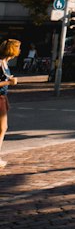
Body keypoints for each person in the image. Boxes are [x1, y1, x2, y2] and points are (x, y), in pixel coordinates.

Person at [0, 38, 22, 166]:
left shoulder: (4, 63)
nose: (19, 50)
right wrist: (9, 82)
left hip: (2, 98)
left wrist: (6, 98)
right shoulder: (0, 63)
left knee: (2, 128)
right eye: (18, 47)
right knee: (2, 128)